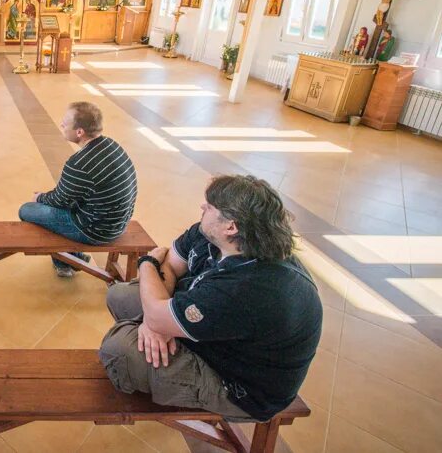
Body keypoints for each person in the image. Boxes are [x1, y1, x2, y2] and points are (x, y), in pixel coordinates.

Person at [99, 175, 322, 427]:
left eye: (210, 206)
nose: (202, 208)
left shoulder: (247, 288)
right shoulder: (216, 236)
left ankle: (158, 368)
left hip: (239, 388)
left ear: (231, 227)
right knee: (121, 296)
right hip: (220, 340)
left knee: (117, 349)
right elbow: (171, 265)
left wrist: (147, 264)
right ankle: (161, 338)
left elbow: (160, 264)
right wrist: (156, 322)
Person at [19, 102, 137, 278]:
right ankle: (72, 258)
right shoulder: (113, 146)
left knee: (27, 210)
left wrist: (39, 197)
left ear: (79, 132)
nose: (61, 125)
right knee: (63, 203)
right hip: (120, 223)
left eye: (65, 123)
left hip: (96, 231)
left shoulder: (79, 164)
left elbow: (58, 200)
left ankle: (66, 262)